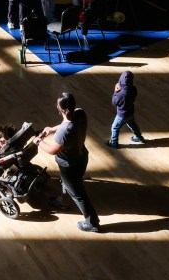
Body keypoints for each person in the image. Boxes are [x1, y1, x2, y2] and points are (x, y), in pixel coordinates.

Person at [33, 92, 101, 233]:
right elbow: (67, 123)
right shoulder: (80, 113)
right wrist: (52, 129)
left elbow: (52, 150)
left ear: (60, 109)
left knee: (78, 194)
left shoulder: (64, 132)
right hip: (81, 157)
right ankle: (62, 202)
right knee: (68, 184)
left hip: (70, 166)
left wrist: (39, 141)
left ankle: (92, 222)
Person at [105, 71, 145, 149]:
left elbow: (114, 102)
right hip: (130, 112)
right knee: (132, 124)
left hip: (121, 115)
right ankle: (139, 137)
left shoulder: (121, 94)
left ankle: (114, 143)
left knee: (115, 128)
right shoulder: (133, 89)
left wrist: (115, 92)